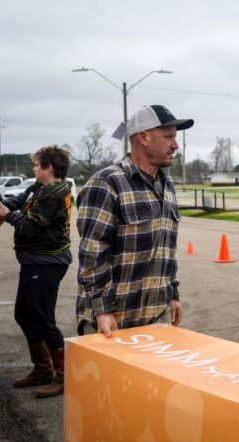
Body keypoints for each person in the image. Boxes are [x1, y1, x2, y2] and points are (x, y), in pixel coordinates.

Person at [76, 105, 193, 338]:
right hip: (113, 321)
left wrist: (173, 294)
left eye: (175, 137)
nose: (175, 145)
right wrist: (102, 310)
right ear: (144, 137)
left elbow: (167, 251)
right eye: (168, 137)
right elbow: (93, 254)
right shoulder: (107, 183)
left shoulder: (166, 185)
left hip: (155, 317)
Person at [0, 146, 73, 398]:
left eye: (36, 165)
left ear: (49, 168)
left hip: (46, 262)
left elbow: (30, 225)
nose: (33, 169)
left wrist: (7, 215)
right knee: (24, 314)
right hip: (34, 260)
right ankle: (43, 369)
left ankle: (64, 376)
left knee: (42, 318)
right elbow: (18, 201)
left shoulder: (54, 193)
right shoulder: (40, 188)